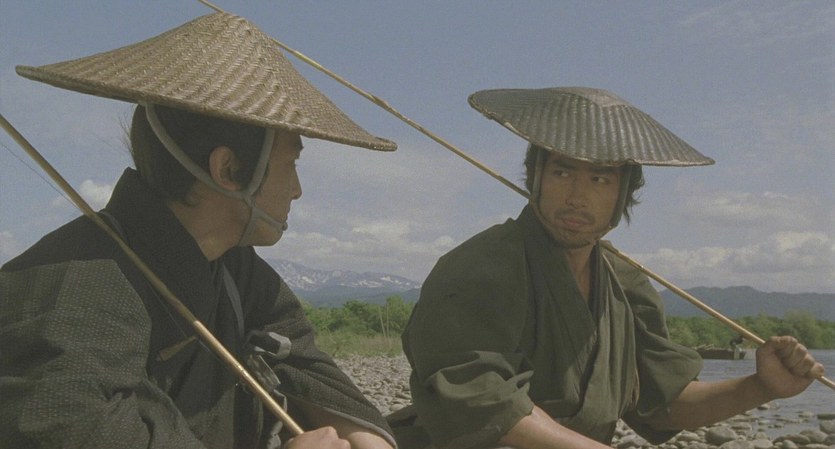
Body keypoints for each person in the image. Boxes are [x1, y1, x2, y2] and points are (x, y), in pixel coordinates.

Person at [0, 12, 398, 449]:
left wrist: (365, 438)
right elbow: (61, 427)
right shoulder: (72, 288)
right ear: (229, 169)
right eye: (292, 163)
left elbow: (298, 356)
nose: (298, 190)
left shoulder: (235, 270)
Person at [388, 87, 826, 449]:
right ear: (535, 176)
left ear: (623, 194)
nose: (577, 198)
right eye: (562, 173)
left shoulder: (624, 281)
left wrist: (761, 387)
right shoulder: (481, 266)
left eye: (600, 179)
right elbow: (484, 405)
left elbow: (663, 403)